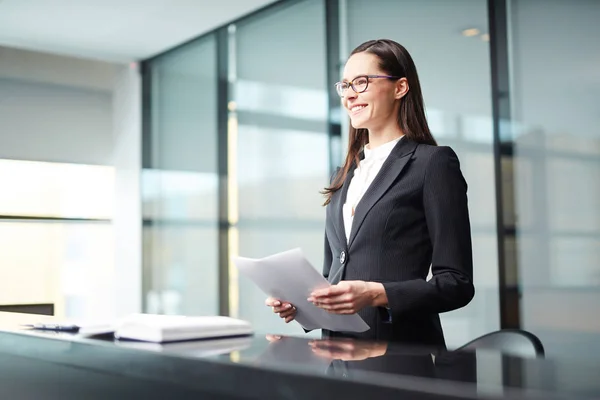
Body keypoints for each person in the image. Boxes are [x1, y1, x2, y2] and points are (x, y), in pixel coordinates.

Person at [266, 39, 474, 347]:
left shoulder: (432, 163)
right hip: (337, 354)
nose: (349, 95)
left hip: (401, 355)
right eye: (345, 85)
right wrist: (303, 306)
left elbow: (456, 284)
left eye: (361, 82)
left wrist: (377, 294)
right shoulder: (344, 176)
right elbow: (334, 276)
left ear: (400, 87)